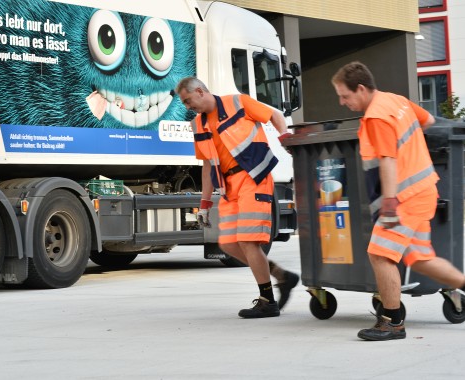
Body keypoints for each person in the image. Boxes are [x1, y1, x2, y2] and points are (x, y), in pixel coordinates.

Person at [331, 61, 465, 341]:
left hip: (404, 198)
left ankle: (392, 322)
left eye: (345, 95)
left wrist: (390, 202)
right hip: (425, 190)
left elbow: (388, 159)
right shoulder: (397, 101)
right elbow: (428, 121)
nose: (343, 102)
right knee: (420, 258)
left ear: (362, 89)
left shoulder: (376, 116)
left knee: (379, 254)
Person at [175, 76, 300, 318]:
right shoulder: (199, 125)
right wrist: (204, 203)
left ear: (200, 91)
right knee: (228, 243)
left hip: (254, 177)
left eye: (188, 101)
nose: (187, 107)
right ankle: (281, 276)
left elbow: (275, 115)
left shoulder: (238, 103)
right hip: (229, 185)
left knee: (247, 240)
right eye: (184, 103)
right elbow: (207, 166)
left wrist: (284, 136)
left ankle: (268, 301)